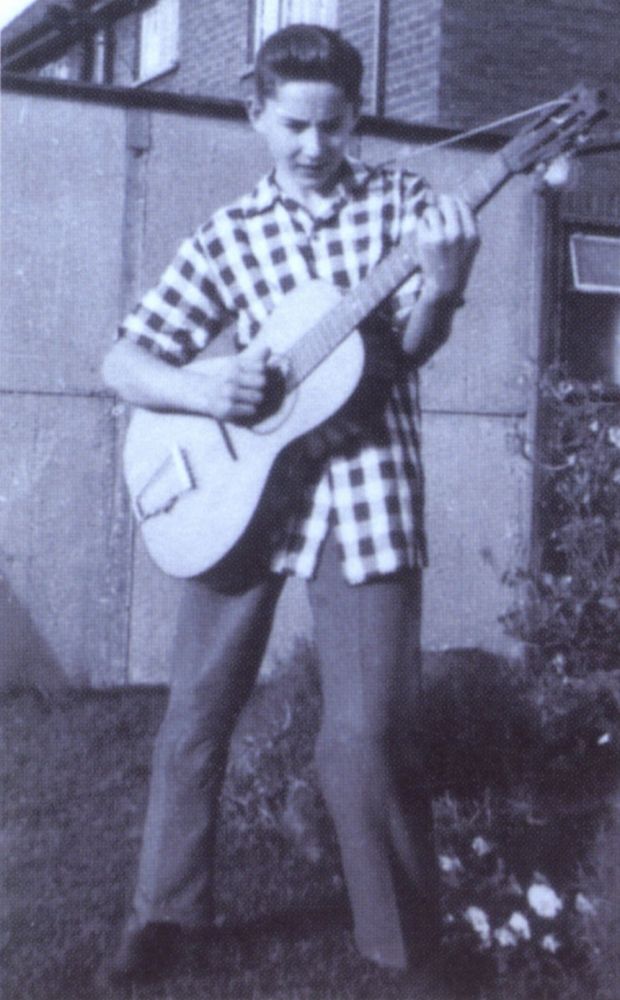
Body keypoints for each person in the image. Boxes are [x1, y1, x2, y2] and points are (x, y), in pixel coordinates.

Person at [101, 23, 479, 984]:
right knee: (195, 715)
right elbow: (125, 361)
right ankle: (166, 920)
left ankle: (402, 947)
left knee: (368, 736)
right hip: (238, 500)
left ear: (357, 118)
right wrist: (204, 387)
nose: (315, 146)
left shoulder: (405, 205)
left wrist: (442, 289)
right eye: (296, 125)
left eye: (334, 126)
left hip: (365, 494)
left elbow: (407, 352)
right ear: (256, 114)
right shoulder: (229, 233)